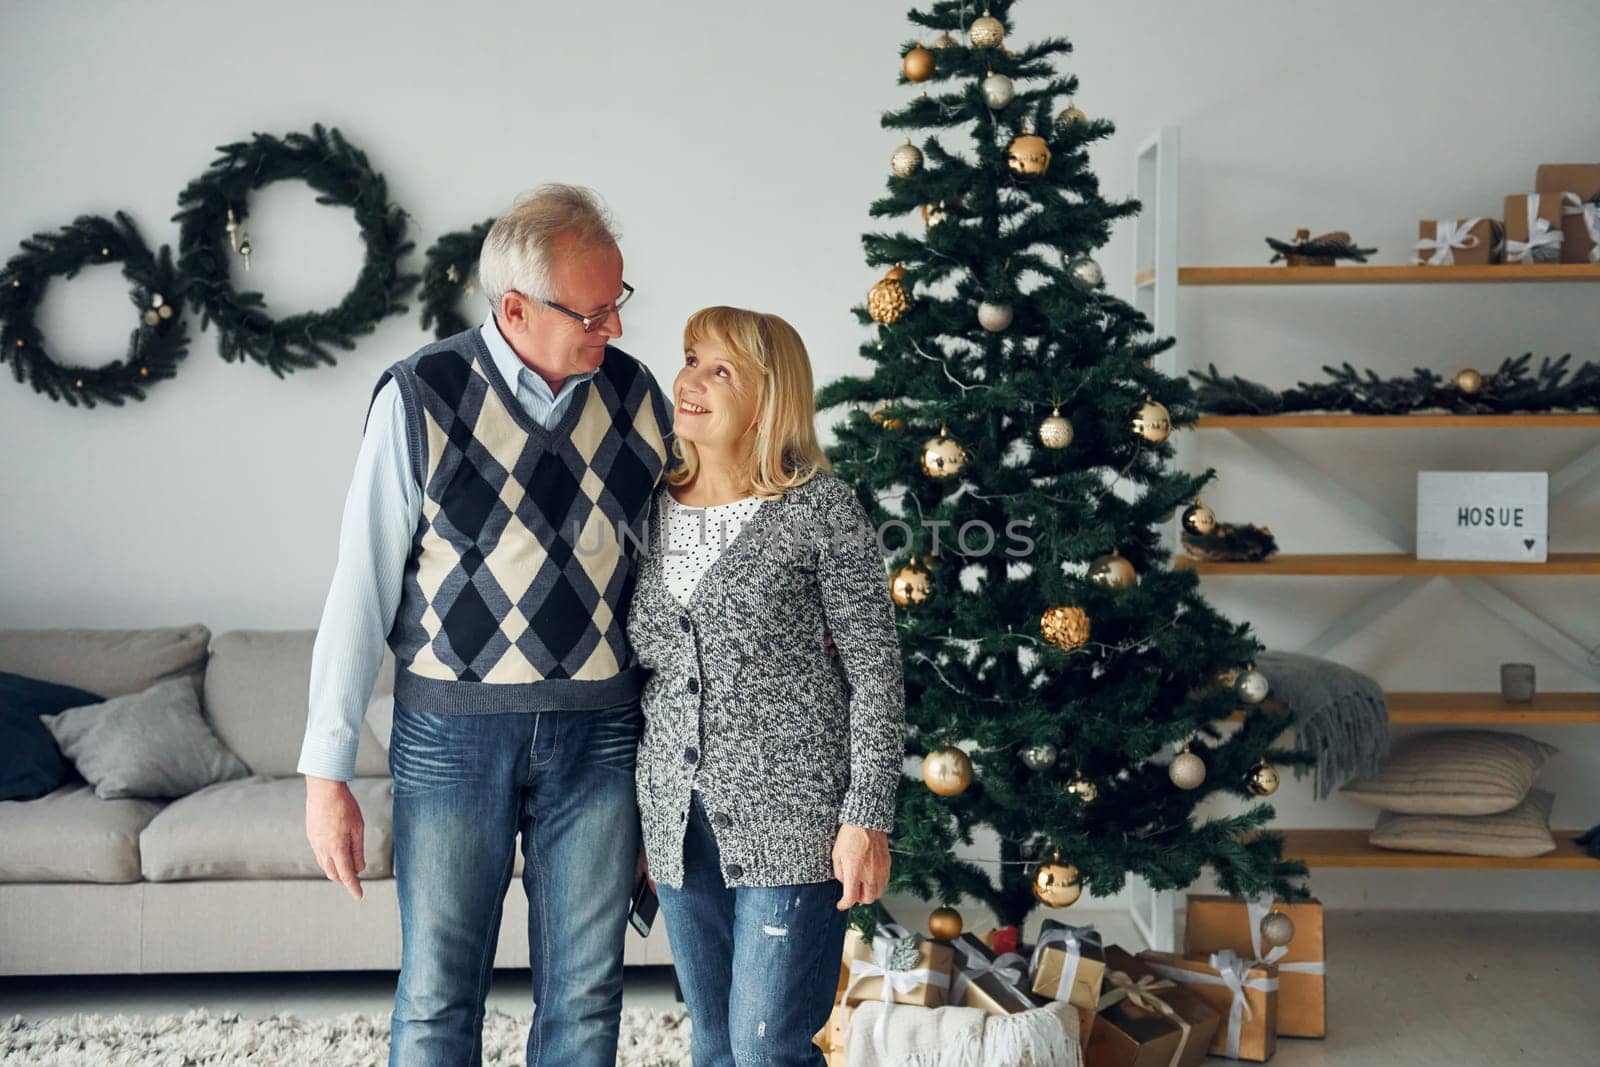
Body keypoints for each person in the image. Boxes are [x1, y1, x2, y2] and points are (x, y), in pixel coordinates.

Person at [296, 184, 674, 1066]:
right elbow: (360, 585)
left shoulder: (636, 397)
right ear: (515, 307)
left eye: (621, 302)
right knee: (437, 994)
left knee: (586, 995)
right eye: (595, 309)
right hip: (449, 737)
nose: (613, 327)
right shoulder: (421, 396)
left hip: (600, 735)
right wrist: (326, 773)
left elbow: (668, 577)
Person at [627, 306, 906, 1066]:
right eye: (690, 358)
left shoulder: (819, 509)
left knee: (765, 1048)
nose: (689, 380)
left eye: (721, 370)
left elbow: (876, 671)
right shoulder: (646, 510)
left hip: (797, 821)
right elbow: (648, 681)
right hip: (678, 823)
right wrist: (644, 822)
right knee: (715, 1043)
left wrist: (866, 815)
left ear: (770, 396)